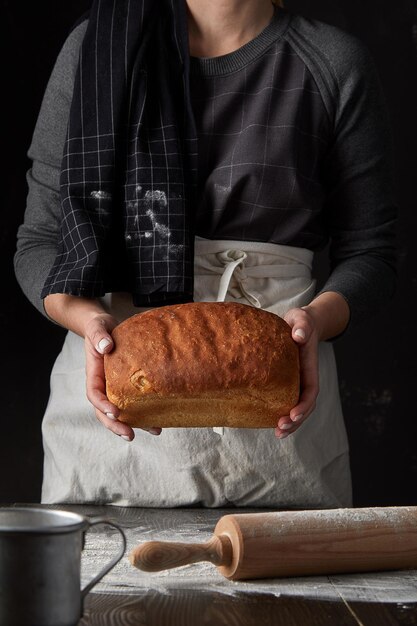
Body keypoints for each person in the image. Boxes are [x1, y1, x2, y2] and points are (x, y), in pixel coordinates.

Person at [14, 0, 397, 508]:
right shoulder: (95, 49)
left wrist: (314, 322)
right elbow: (39, 242)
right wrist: (87, 320)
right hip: (111, 397)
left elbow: (372, 251)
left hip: (279, 411)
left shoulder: (332, 60)